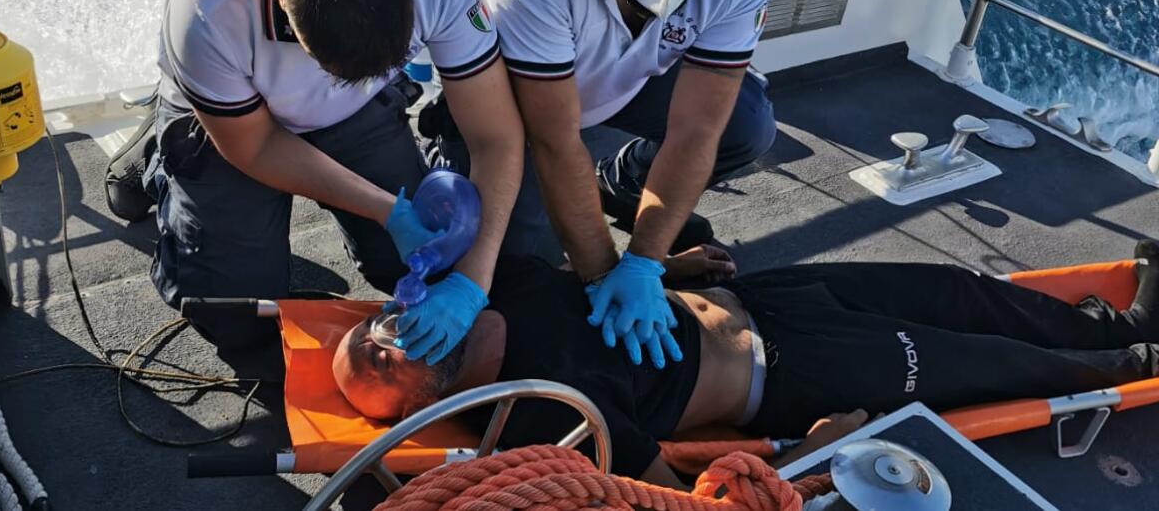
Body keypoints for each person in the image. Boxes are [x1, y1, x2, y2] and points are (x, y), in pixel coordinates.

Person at [333, 244, 1159, 488]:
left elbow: (594, 272)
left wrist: (666, 269)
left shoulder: (489, 282)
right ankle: (1135, 355)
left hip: (781, 291)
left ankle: (1111, 322)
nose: (377, 335)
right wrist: (816, 459)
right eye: (372, 364)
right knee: (996, 362)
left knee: (961, 291)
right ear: (412, 404)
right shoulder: (540, 413)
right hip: (796, 372)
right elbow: (679, 496)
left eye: (367, 327)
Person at [437, 0, 775, 369]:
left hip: (625, 76)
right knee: (522, 267)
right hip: (512, 109)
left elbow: (698, 128)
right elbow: (553, 139)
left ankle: (619, 186)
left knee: (748, 121)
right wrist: (598, 275)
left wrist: (644, 263)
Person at [139, 0, 524, 358]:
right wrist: (388, 209)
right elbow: (256, 147)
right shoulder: (206, 9)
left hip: (355, 105)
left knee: (435, 264)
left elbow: (497, 135)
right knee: (231, 312)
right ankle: (161, 160)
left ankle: (358, 105)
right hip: (237, 121)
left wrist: (472, 282)